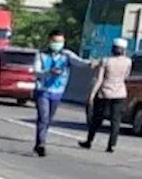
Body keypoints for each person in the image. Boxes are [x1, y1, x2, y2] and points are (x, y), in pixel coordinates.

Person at [32, 29, 86, 157]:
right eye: (55, 41)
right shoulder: (41, 54)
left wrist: (92, 63)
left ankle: (40, 140)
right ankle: (41, 144)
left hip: (58, 91)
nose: (58, 44)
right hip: (43, 90)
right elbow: (36, 71)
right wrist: (49, 72)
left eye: (60, 41)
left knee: (49, 119)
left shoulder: (66, 55)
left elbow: (79, 62)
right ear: (49, 41)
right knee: (43, 117)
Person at [80, 37, 131, 153]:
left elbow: (99, 79)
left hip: (105, 93)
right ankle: (111, 145)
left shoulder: (106, 61)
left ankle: (89, 141)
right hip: (120, 93)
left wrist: (92, 95)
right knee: (115, 120)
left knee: (97, 119)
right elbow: (126, 76)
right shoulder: (128, 61)